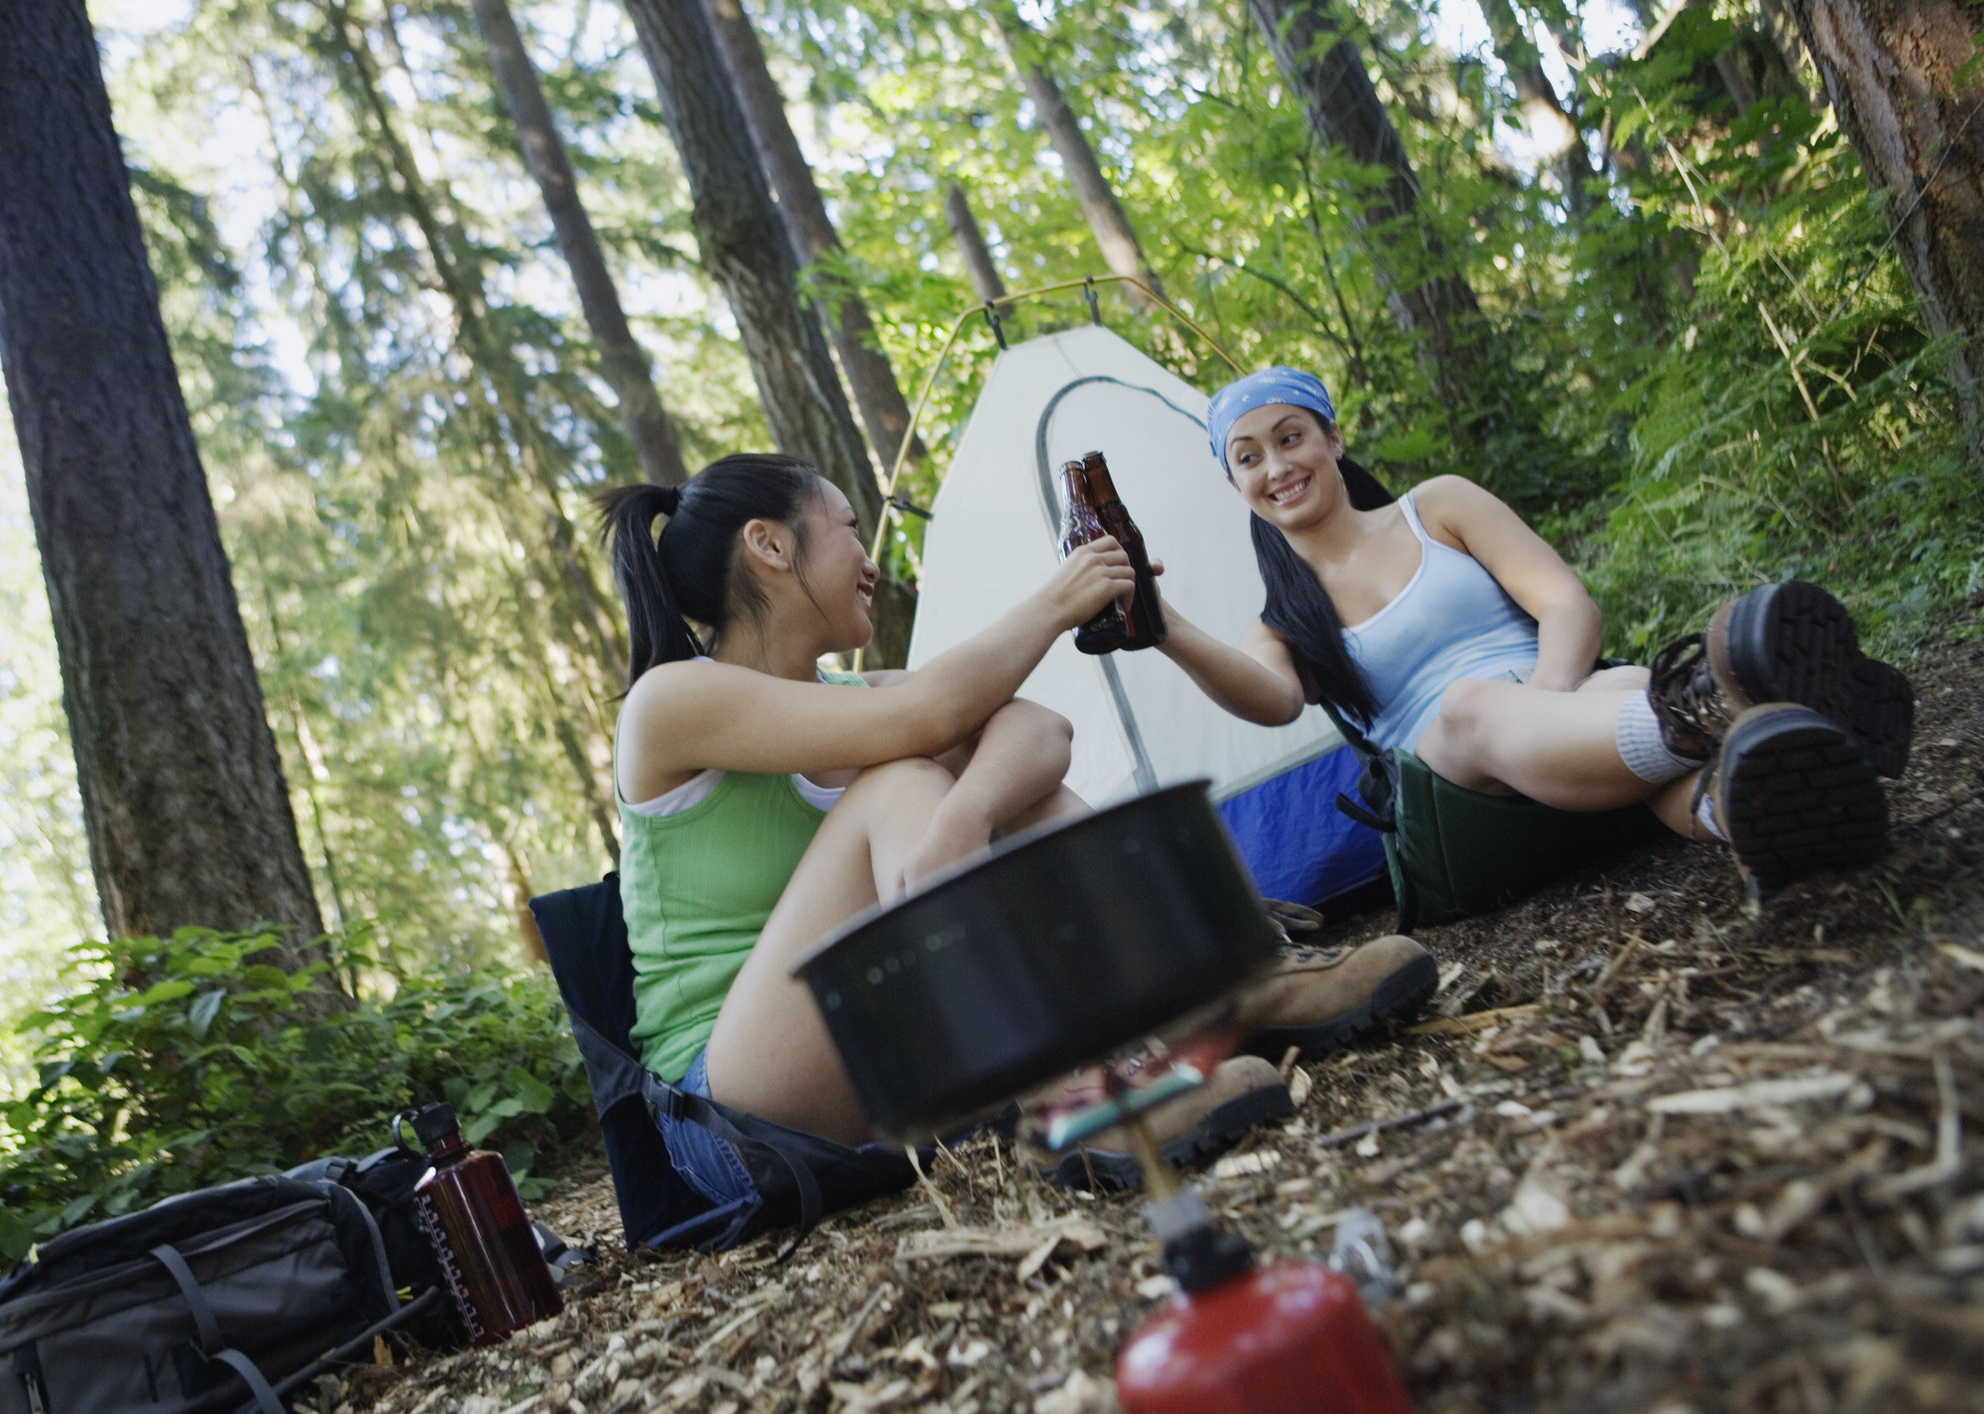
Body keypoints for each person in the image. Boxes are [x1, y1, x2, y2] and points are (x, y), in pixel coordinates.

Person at [597, 453, 1428, 1206]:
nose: (870, 561)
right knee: (905, 777)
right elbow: (932, 715)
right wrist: (1057, 601)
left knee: (989, 778)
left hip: (880, 1066)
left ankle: (1224, 990)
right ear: (771, 547)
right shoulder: (670, 701)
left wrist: (966, 816)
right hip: (733, 1116)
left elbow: (1037, 729)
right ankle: (1069, 1095)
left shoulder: (852, 699)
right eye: (849, 528)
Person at [1143, 366, 1912, 901]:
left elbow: (1564, 604)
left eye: (1291, 436)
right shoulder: (1281, 624)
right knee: (1472, 705)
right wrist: (1163, 626)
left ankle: (1756, 805)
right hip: (1459, 809)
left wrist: (1552, 698)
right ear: (1233, 484)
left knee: (1612, 686)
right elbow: (1271, 702)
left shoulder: (1437, 505)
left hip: (1568, 725)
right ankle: (1713, 706)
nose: (1275, 465)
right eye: (1248, 458)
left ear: (1333, 439)